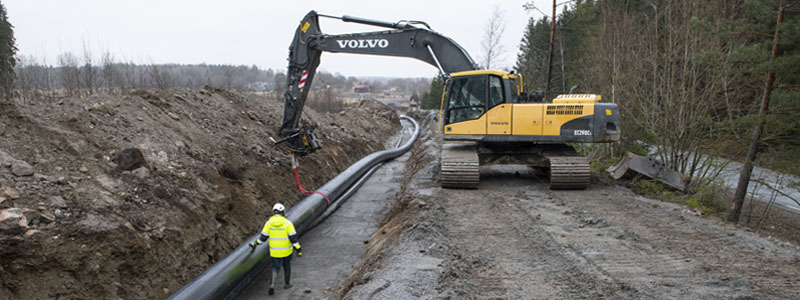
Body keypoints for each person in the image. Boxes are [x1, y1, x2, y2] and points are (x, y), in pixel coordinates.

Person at [250, 203, 302, 295]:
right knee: (286, 265)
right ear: (282, 212)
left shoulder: (269, 223)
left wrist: (255, 244)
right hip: (286, 251)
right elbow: (293, 238)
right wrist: (298, 250)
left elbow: (263, 238)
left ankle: (272, 284)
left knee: (275, 267)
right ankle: (287, 284)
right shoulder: (287, 223)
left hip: (274, 251)